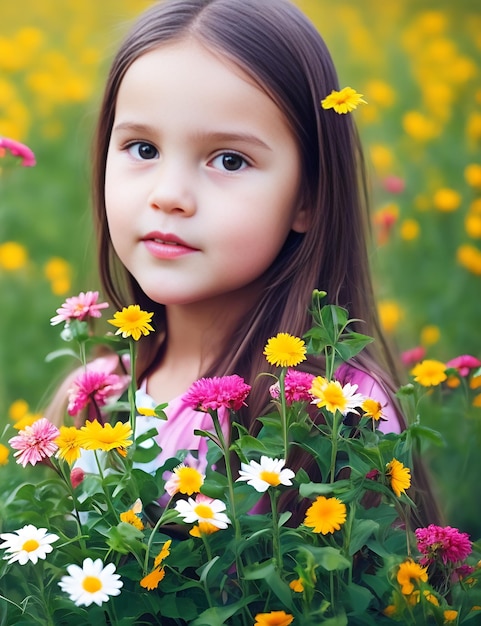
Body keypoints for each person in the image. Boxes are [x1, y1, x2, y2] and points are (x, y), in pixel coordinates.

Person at [49, 0, 439, 525]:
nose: (169, 195)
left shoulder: (337, 412)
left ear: (308, 197)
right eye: (142, 148)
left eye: (229, 160)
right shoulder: (95, 397)